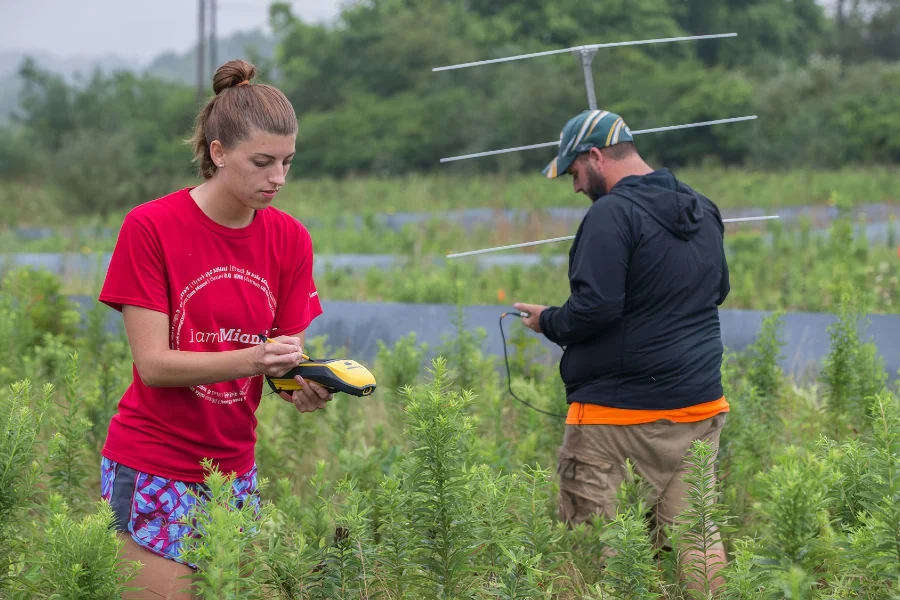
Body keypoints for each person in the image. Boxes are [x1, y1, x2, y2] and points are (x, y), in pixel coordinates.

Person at [96, 59, 334, 599]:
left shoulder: (290, 239)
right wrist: (255, 359)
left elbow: (282, 358)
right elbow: (154, 366)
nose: (278, 178)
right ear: (218, 152)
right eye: (262, 162)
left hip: (233, 470)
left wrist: (302, 384)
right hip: (155, 462)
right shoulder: (151, 227)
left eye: (288, 162)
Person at [514, 109, 731, 593]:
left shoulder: (612, 214)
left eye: (573, 172)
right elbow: (717, 290)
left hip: (615, 417)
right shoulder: (702, 207)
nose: (574, 187)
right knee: (694, 533)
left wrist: (547, 319)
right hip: (697, 407)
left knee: (596, 543)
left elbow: (596, 308)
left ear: (595, 156)